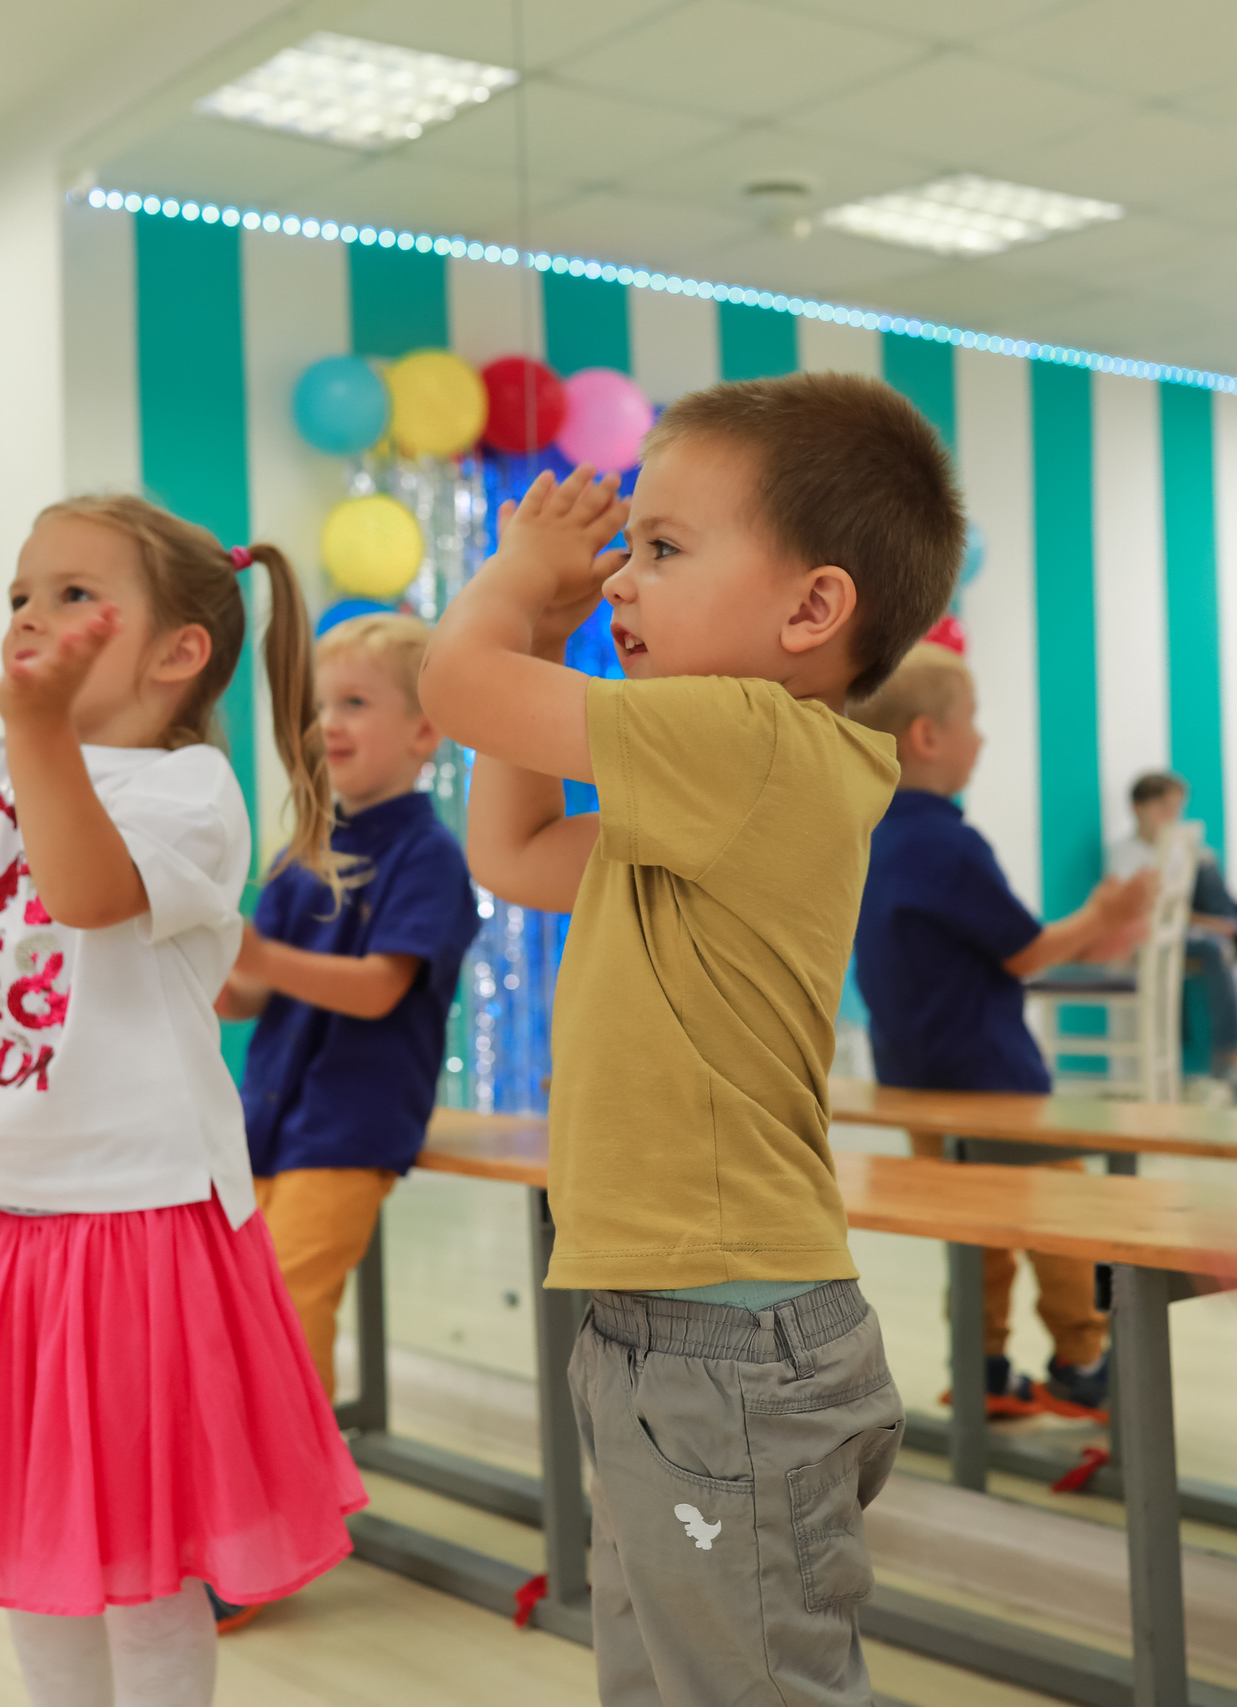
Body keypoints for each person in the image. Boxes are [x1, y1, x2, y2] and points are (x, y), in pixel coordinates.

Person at [0, 472, 363, 1705]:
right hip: (12, 1222)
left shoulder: (188, 796)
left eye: (75, 594)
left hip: (140, 1226)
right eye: (20, 595)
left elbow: (86, 891)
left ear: (178, 655)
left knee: (146, 1575)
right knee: (38, 1564)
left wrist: (38, 737)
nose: (31, 616)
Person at [419, 371, 960, 1707]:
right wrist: (541, 631)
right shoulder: (709, 792)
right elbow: (516, 847)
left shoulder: (754, 741)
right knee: (668, 1673)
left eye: (664, 548)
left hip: (729, 1346)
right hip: (677, 1330)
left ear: (811, 607)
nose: (622, 580)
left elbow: (455, 683)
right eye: (627, 550)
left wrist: (513, 581)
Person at [849, 642, 1151, 1414]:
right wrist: (1100, 914)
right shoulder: (950, 842)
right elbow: (1023, 953)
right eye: (972, 722)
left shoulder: (866, 835)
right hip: (991, 1076)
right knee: (1061, 1219)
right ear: (927, 736)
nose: (981, 738)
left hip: (912, 1078)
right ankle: (1083, 1360)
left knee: (972, 1231)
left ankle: (980, 1366)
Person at [218, 612, 480, 1400]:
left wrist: (259, 955)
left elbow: (378, 988)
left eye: (355, 704)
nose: (329, 724)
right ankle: (255, 1493)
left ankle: (300, 1505)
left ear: (424, 730)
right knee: (237, 1311)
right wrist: (214, 964)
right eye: (322, 707)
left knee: (286, 1315)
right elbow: (250, 997)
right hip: (265, 1122)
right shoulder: (302, 849)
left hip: (348, 1126)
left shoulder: (428, 856)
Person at [1105, 772, 1237, 1081]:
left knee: (1206, 865)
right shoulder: (1125, 855)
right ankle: (1230, 1047)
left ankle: (1236, 930)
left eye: (1176, 808)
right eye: (1163, 807)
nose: (1172, 816)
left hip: (1187, 926)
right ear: (1138, 808)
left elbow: (1182, 904)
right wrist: (1210, 924)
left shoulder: (1181, 851)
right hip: (1152, 933)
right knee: (1214, 945)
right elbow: (1149, 911)